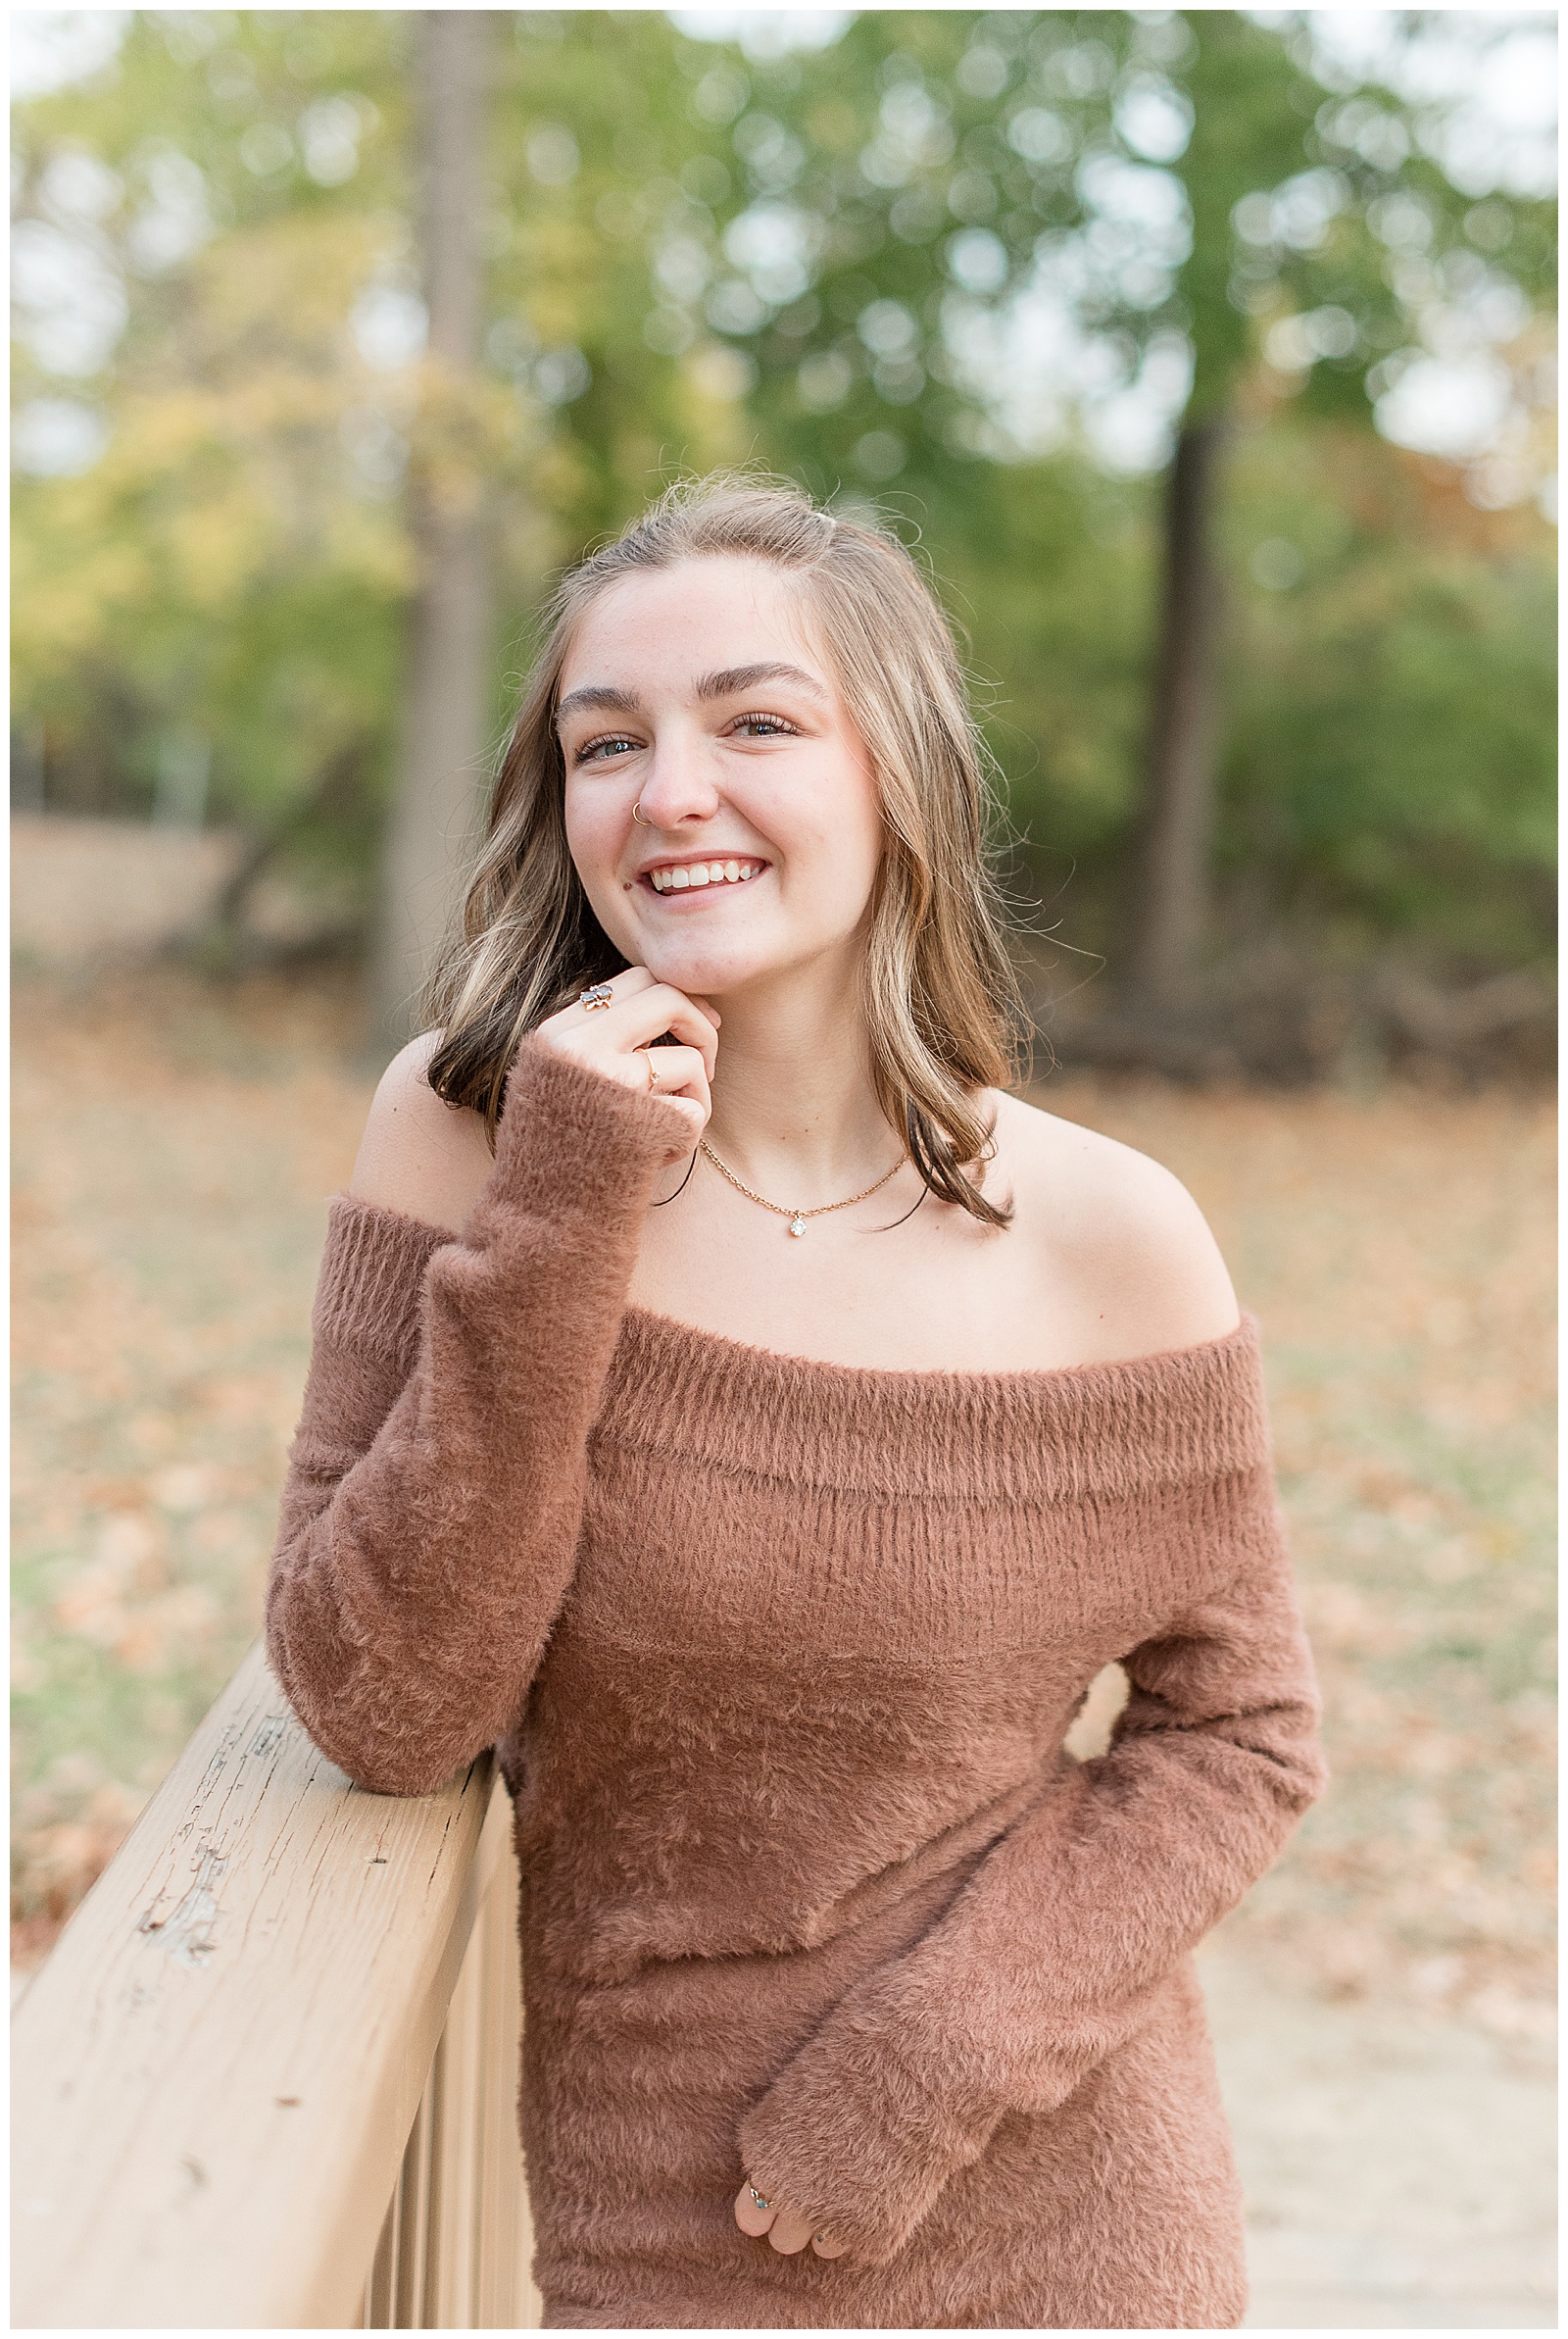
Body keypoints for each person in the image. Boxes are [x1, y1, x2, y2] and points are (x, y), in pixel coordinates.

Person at [267, 474, 1325, 2330]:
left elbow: (1238, 1735)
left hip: (1069, 2212)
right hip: (652, 2224)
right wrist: (569, 1208)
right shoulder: (467, 1134)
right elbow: (383, 1701)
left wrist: (930, 2068)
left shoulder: (1112, 1233)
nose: (672, 789)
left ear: (895, 777)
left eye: (757, 720)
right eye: (611, 743)